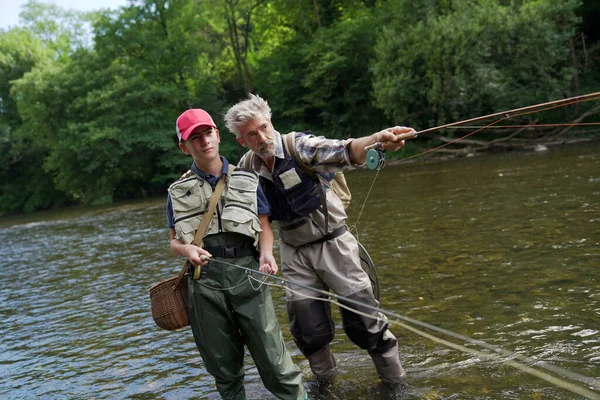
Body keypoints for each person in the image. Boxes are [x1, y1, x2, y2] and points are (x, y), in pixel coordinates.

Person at [224, 94, 414, 390]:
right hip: (294, 251)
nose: (261, 137)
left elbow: (344, 150)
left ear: (271, 122)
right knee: (307, 329)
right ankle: (327, 388)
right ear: (242, 141)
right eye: (252, 134)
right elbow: (239, 203)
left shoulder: (298, 145)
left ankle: (398, 386)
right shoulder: (247, 168)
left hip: (333, 242)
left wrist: (377, 139)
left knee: (366, 323)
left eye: (263, 127)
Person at [166, 108, 307, 400]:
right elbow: (173, 242)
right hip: (203, 283)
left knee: (276, 363)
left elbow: (265, 227)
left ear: (217, 134)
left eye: (207, 133)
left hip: (249, 278)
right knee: (224, 370)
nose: (204, 141)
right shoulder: (177, 190)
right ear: (184, 147)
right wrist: (187, 249)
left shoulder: (247, 179)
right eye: (195, 137)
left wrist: (267, 254)